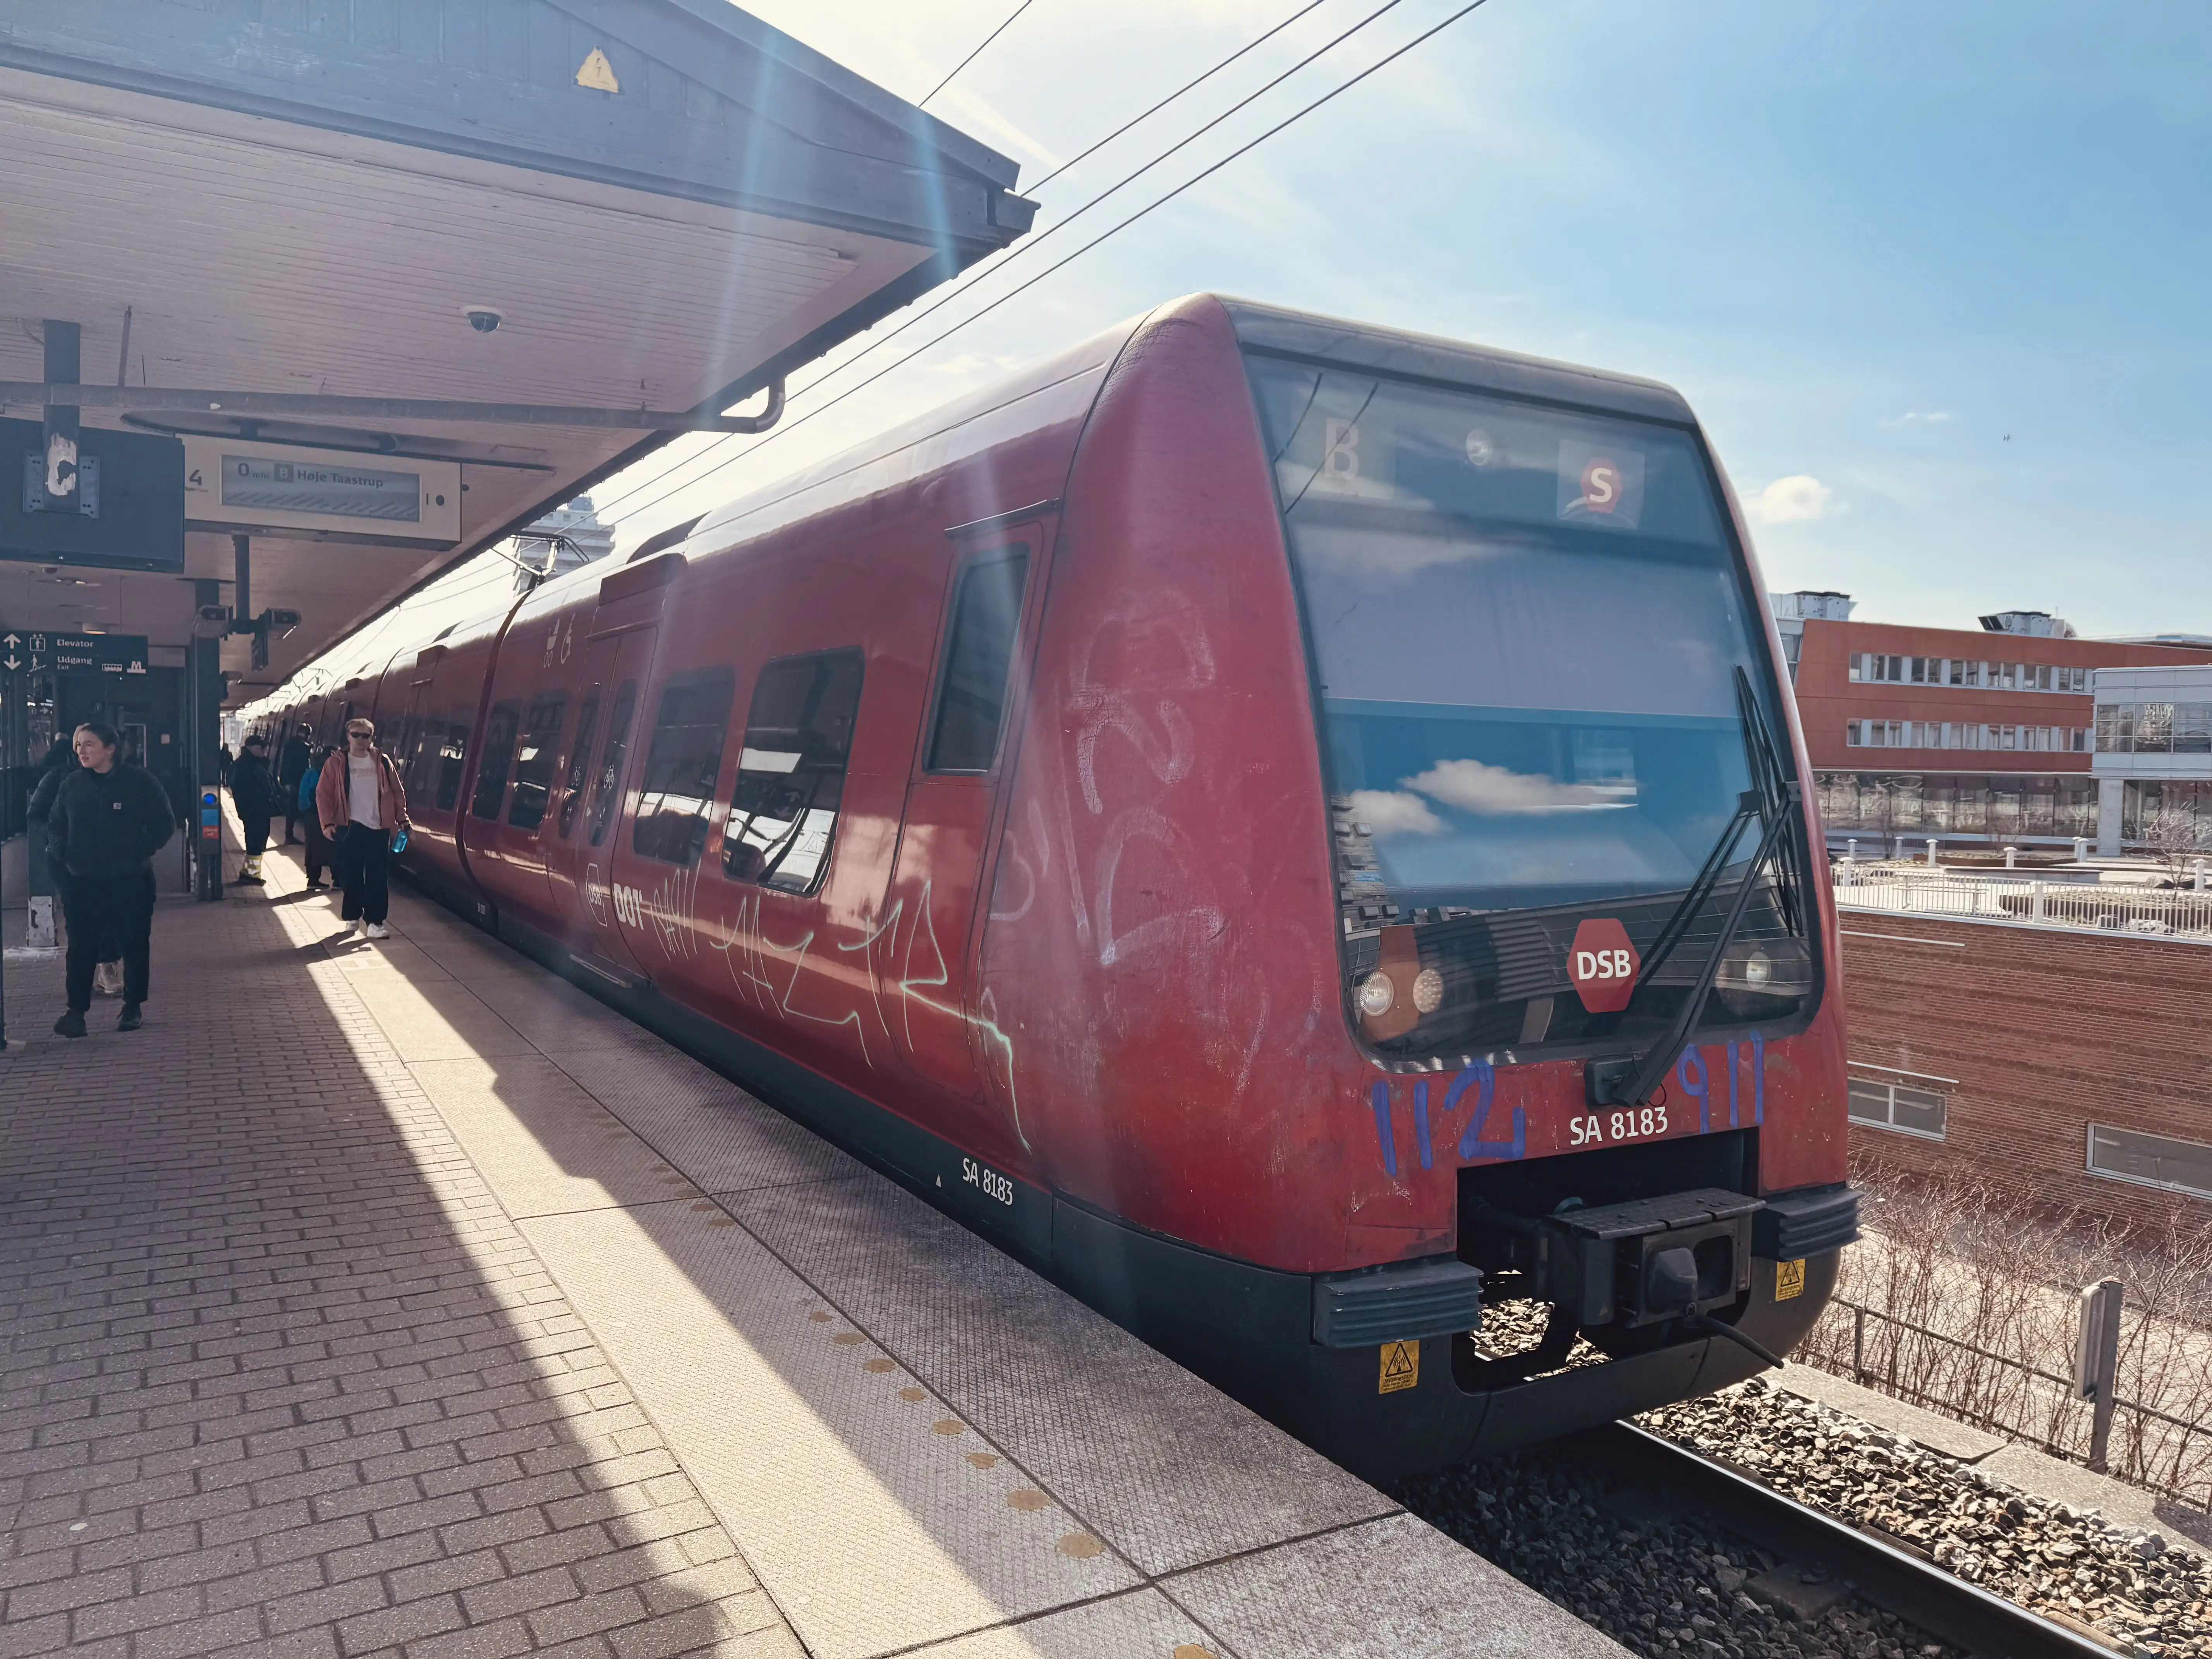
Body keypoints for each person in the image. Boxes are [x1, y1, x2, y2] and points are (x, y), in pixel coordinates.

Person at [47, 721, 175, 1036]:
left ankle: (132, 1007)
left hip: (130, 880)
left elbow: (164, 823)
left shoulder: (139, 782)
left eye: (89, 744)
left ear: (111, 749)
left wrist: (137, 852)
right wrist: (64, 854)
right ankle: (76, 1013)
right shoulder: (72, 785)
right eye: (79, 745)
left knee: (133, 945)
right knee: (80, 948)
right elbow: (55, 824)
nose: (81, 751)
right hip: (83, 882)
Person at [27, 740, 129, 996]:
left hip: (109, 859)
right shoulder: (57, 778)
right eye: (82, 745)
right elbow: (36, 813)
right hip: (67, 860)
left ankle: (107, 967)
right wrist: (60, 843)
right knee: (80, 914)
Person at [317, 717, 409, 940]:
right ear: (348, 737)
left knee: (378, 878)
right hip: (349, 827)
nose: (360, 739)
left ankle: (376, 923)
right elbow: (323, 795)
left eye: (365, 735)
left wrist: (402, 818)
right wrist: (327, 824)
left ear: (372, 738)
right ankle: (352, 916)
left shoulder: (382, 762)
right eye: (355, 735)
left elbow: (397, 792)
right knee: (351, 876)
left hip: (379, 828)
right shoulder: (336, 763)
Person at [230, 732, 276, 883]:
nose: (264, 750)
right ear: (250, 748)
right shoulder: (244, 765)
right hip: (254, 811)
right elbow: (241, 789)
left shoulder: (256, 764)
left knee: (258, 842)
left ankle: (250, 873)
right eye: (261, 747)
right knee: (255, 843)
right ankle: (250, 875)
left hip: (260, 810)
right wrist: (251, 807)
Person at [299, 745, 333, 890]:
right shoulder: (328, 773)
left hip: (312, 814)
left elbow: (303, 795)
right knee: (333, 846)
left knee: (313, 847)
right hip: (322, 814)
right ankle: (336, 880)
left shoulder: (311, 772)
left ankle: (313, 879)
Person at [278, 723, 313, 844]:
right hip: (298, 781)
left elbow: (285, 764)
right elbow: (303, 765)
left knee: (293, 808)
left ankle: (289, 835)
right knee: (296, 808)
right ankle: (290, 836)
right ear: (306, 734)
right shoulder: (302, 747)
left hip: (293, 781)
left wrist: (285, 781)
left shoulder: (290, 744)